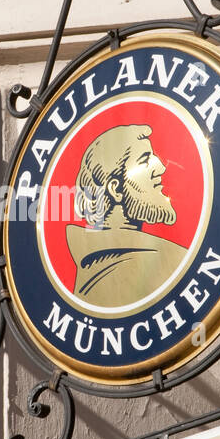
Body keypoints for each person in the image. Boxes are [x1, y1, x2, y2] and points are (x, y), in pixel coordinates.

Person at [66, 124, 185, 309]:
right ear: (115, 189)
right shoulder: (167, 261)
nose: (161, 167)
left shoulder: (92, 268)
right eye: (145, 159)